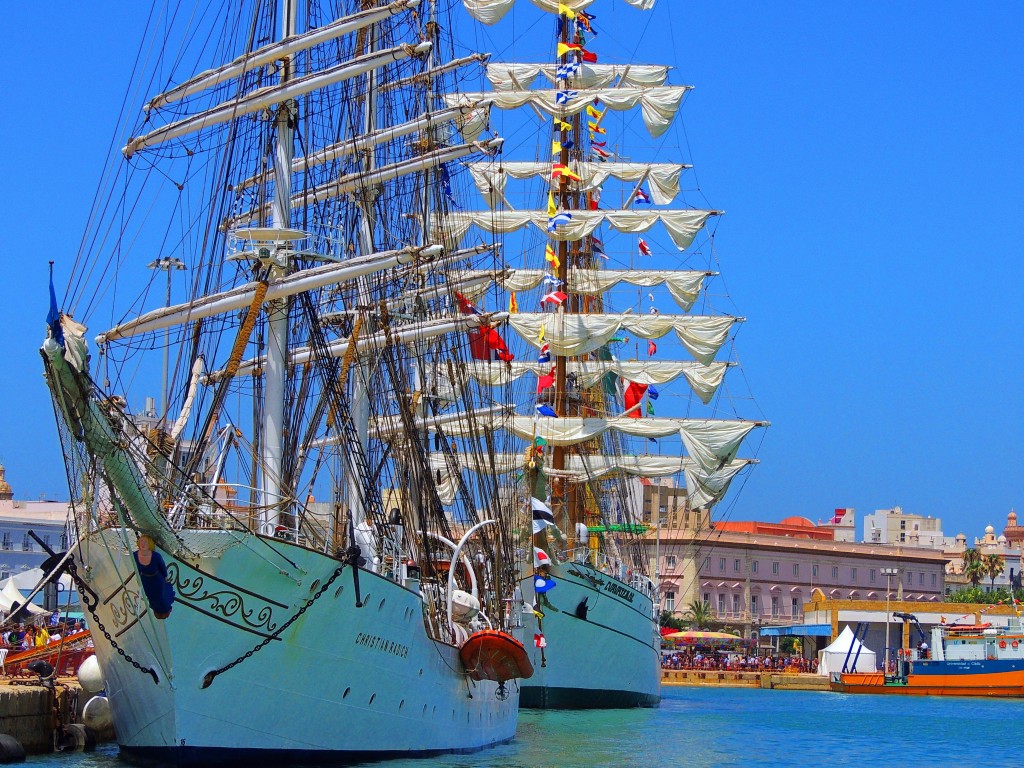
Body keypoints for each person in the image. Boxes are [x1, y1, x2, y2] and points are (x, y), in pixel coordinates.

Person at [134, 533, 175, 619]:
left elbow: (162, 567)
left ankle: (165, 610)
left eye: (146, 542)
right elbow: (136, 568)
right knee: (151, 596)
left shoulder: (156, 556)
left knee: (161, 596)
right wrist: (138, 578)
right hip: (145, 580)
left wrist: (166, 577)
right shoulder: (135, 555)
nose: (143, 544)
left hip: (157, 579)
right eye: (141, 541)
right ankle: (157, 611)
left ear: (150, 544)